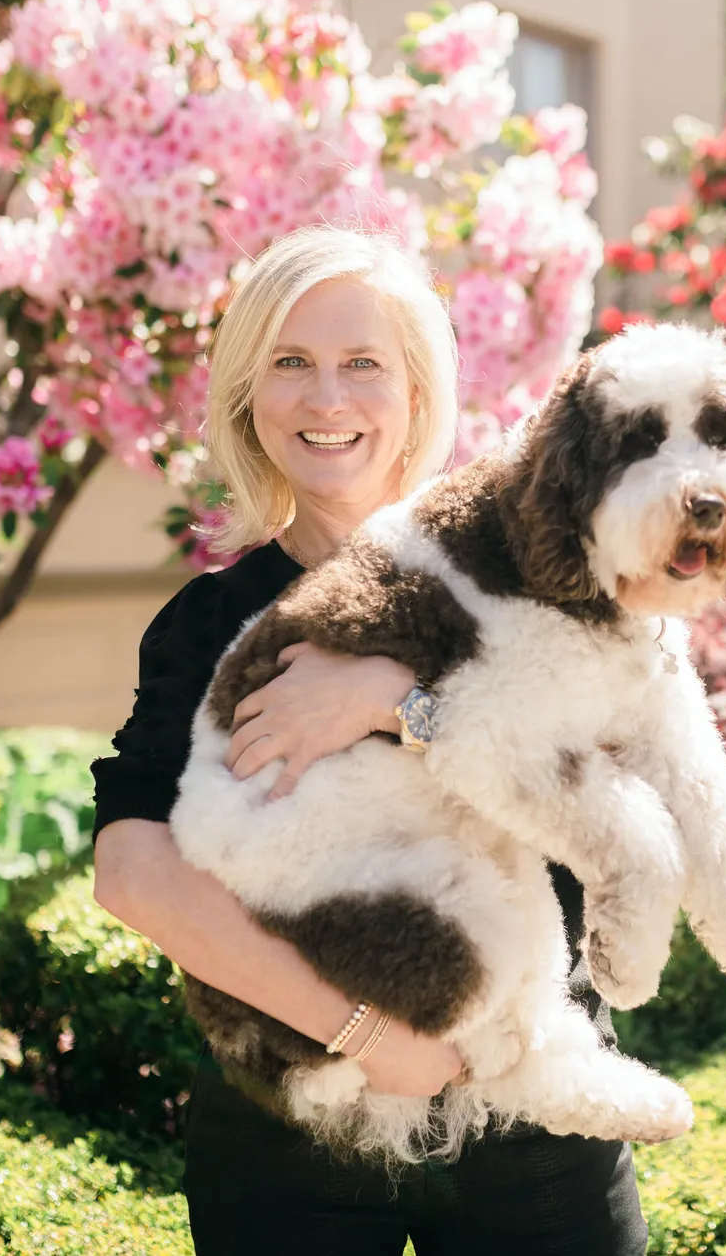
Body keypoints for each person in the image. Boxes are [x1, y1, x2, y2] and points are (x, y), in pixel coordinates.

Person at [89, 225, 651, 1256]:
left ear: (414, 396)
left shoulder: (529, 581)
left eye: (362, 364)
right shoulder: (208, 624)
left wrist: (399, 706)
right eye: (290, 363)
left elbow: (619, 800)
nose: (326, 398)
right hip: (288, 1138)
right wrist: (367, 1039)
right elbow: (133, 871)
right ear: (250, 398)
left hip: (534, 1133)